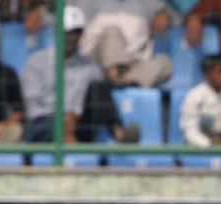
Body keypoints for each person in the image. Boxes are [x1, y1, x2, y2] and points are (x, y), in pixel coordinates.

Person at [22, 5, 138, 144]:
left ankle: (119, 133)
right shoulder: (36, 62)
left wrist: (73, 118)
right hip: (45, 123)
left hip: (78, 124)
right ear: (57, 31)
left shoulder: (90, 66)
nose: (72, 38)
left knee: (98, 88)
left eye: (76, 33)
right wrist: (61, 122)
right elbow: (33, 108)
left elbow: (101, 100)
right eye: (68, 32)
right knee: (41, 126)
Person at [68, 0, 175, 87]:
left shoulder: (151, 3)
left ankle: (125, 80)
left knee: (165, 63)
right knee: (112, 32)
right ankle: (114, 75)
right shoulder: (85, 2)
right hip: (96, 63)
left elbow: (176, 19)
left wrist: (164, 15)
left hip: (132, 63)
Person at [180, 54, 221, 147]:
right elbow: (190, 131)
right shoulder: (195, 96)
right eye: (220, 72)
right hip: (203, 141)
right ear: (206, 74)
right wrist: (209, 145)